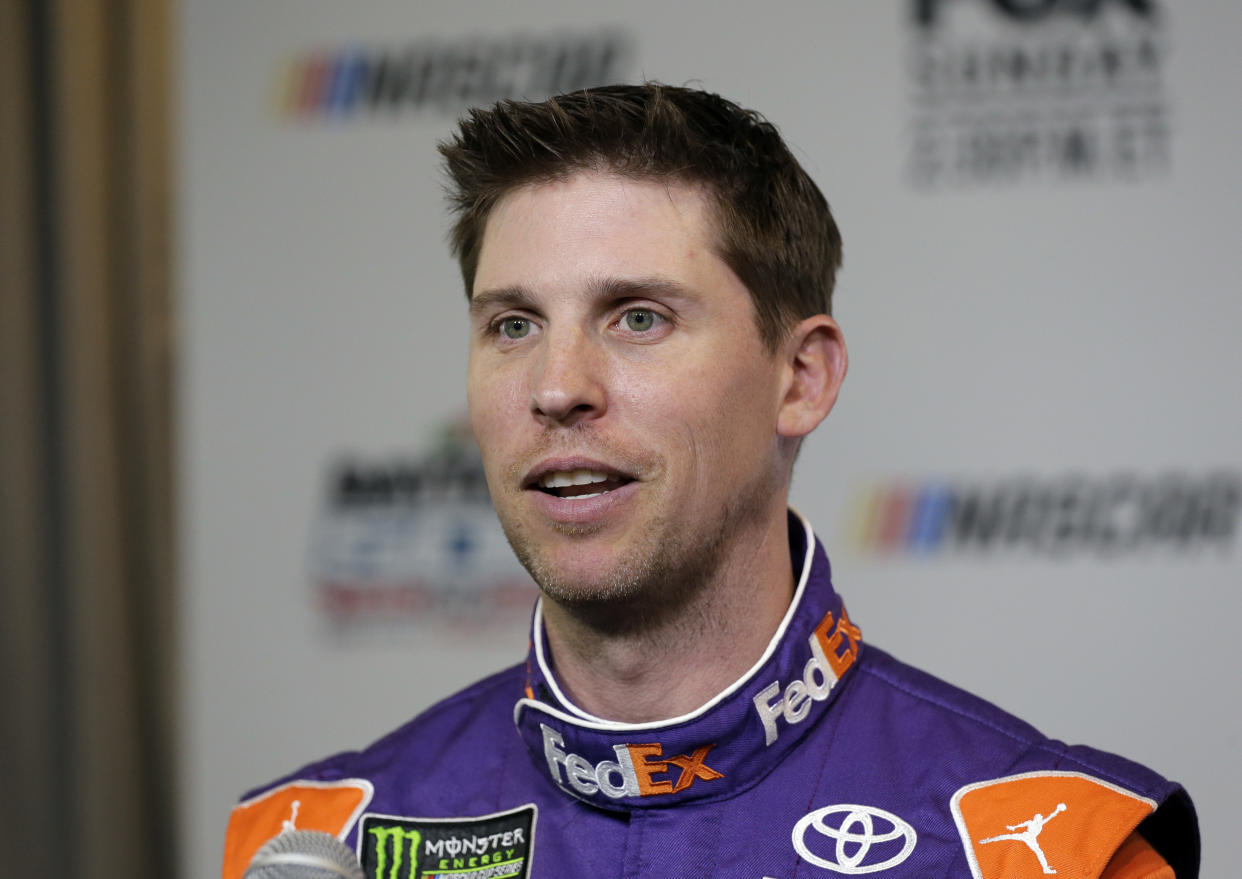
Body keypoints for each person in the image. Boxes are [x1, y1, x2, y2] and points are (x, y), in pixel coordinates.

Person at [221, 84, 1198, 879]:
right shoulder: (322, 840)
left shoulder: (1045, 846)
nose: (557, 387)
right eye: (513, 326)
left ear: (800, 378)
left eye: (637, 318)